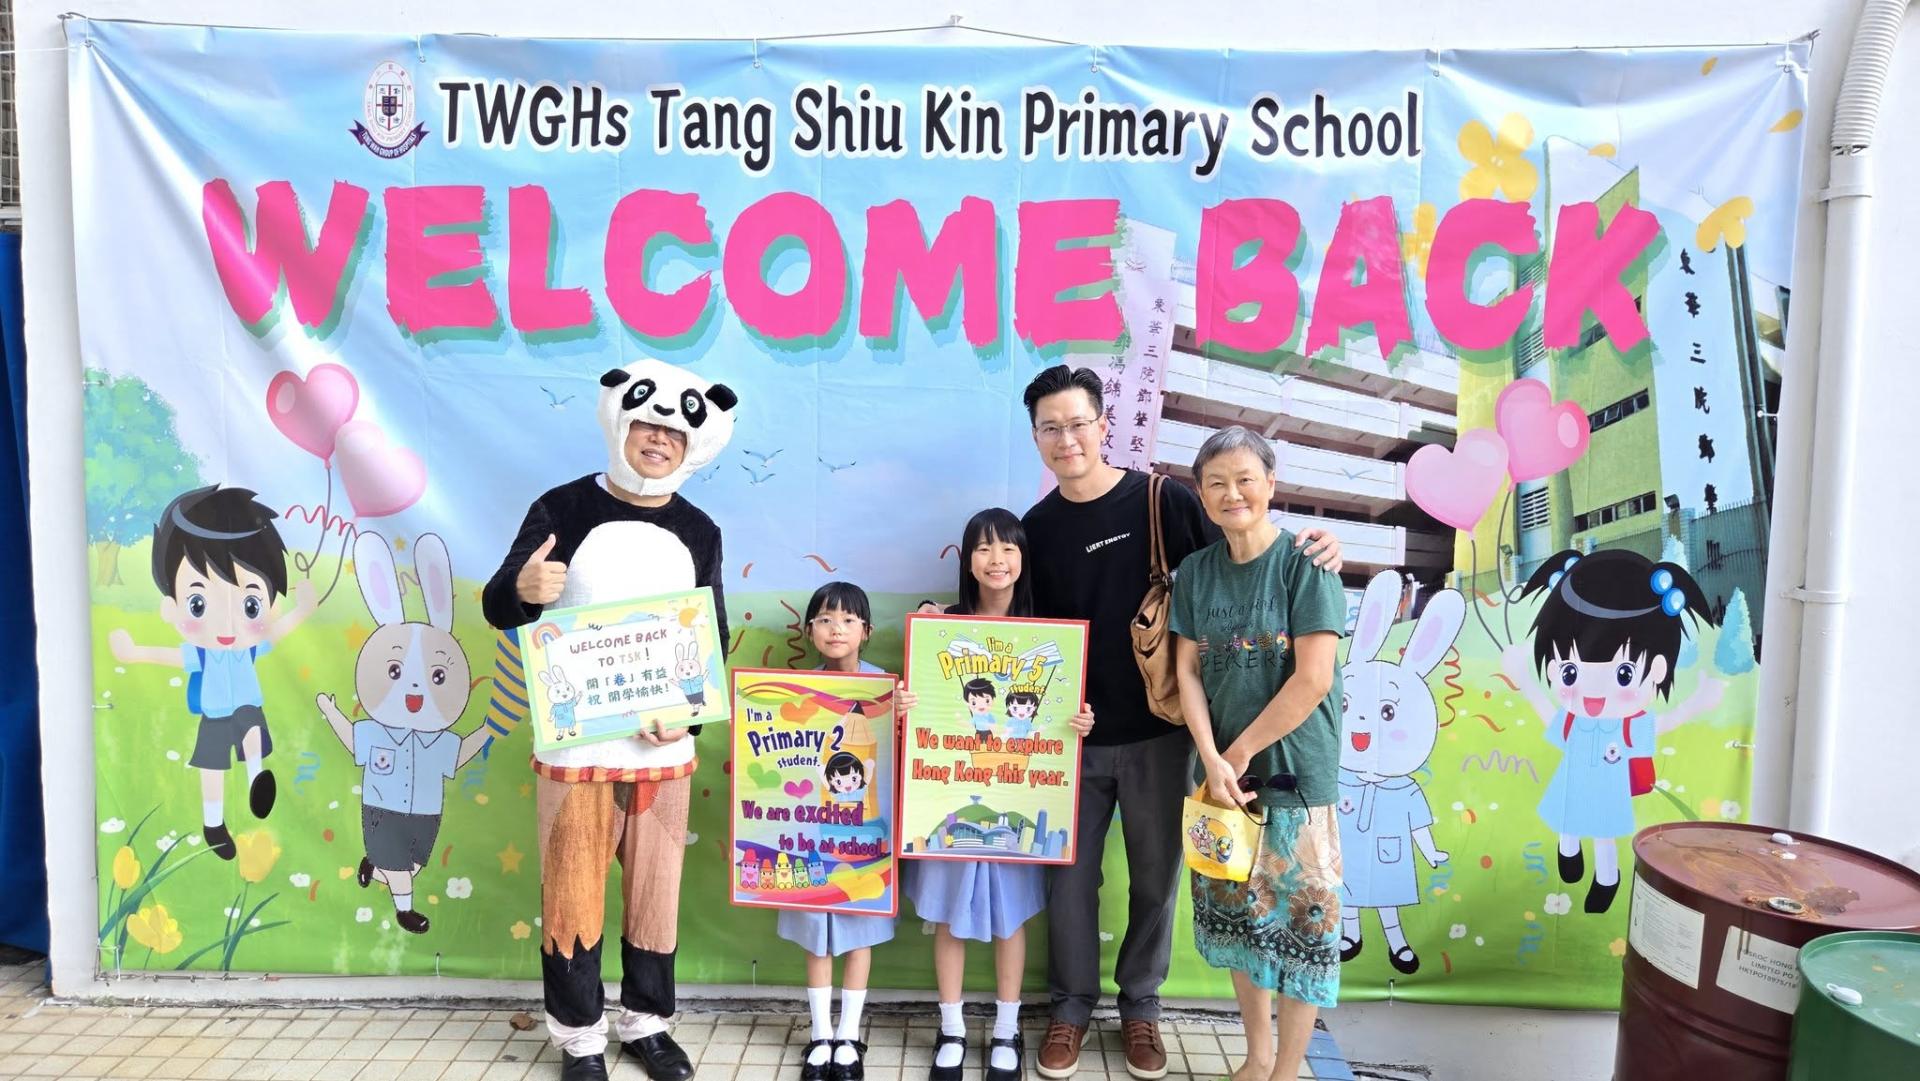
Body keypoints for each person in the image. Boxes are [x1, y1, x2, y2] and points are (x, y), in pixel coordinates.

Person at [1017, 366, 1340, 1080]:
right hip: (1070, 738)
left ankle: (1141, 1007)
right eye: (1050, 427)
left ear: (1104, 425)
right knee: (1067, 881)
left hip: (1165, 735)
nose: (1067, 439)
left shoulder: (1164, 500)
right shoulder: (1035, 527)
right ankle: (1069, 1008)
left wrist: (1319, 544)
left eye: (1078, 423)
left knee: (1156, 879)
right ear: (1036, 437)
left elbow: (1242, 543)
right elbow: (1019, 625)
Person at [482, 358, 739, 1081]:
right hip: (578, 748)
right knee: (571, 893)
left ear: (695, 445)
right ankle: (579, 1036)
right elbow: (500, 605)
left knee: (656, 893)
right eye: (648, 424)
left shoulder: (699, 529)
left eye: (675, 432)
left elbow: (710, 635)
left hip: (661, 754)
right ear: (620, 422)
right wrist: (523, 585)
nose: (659, 439)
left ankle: (647, 1023)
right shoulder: (561, 508)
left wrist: (689, 717)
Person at [1171, 425, 1348, 1081]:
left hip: (1296, 782)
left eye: (1245, 479)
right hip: (1222, 787)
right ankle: (1257, 1057)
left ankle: (1286, 1071)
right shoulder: (1195, 573)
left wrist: (1237, 752)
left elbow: (1314, 678)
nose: (1232, 493)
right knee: (1241, 927)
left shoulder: (1306, 563)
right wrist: (1211, 758)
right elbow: (1186, 670)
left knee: (1304, 935)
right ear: (1201, 495)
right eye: (1216, 483)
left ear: (1271, 484)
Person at [907, 509, 1095, 1081]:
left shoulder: (1047, 635)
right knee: (949, 917)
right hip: (948, 796)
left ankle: (1009, 1029)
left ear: (1023, 559)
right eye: (984, 548)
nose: (996, 560)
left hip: (1016, 796)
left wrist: (1078, 721)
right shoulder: (940, 627)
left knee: (1011, 918)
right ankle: (952, 1027)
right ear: (967, 560)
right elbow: (922, 706)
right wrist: (905, 707)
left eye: (1008, 549)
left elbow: (1057, 717)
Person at [1501, 549, 1723, 914]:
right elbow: (1546, 714)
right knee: (1566, 821)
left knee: (1603, 837)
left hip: (1607, 792)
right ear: (1555, 669)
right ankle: (1568, 853)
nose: (1592, 693)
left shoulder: (1628, 725)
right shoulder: (1572, 720)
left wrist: (1697, 703)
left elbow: (1662, 724)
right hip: (1571, 784)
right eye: (1570, 672)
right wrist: (1524, 679)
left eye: (1623, 674)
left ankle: (1607, 880)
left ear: (1656, 670)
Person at [108, 485, 317, 861]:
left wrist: (301, 611)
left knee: (252, 733)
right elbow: (170, 656)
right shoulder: (202, 655)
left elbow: (277, 633)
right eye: (198, 603)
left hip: (248, 708)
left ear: (270, 605)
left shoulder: (250, 648)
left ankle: (256, 779)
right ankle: (214, 824)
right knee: (212, 770)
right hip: (214, 716)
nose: (226, 623)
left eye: (250, 605)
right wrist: (134, 653)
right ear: (171, 608)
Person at [777, 581, 898, 1081]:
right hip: (812, 835)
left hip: (865, 837)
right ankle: (820, 1033)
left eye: (848, 620)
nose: (836, 629)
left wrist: (901, 711)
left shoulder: (884, 689)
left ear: (866, 631)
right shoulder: (797, 695)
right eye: (825, 619)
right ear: (810, 629)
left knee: (860, 928)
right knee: (816, 934)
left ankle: (849, 1034)